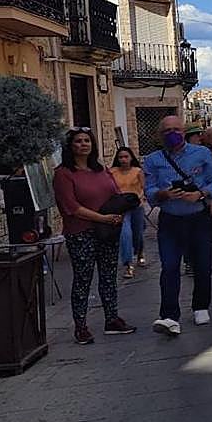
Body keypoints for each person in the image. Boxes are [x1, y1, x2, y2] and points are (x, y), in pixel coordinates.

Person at [52, 128, 137, 343]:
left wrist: (118, 213)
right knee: (83, 279)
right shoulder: (63, 173)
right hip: (81, 232)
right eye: (78, 141)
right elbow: (72, 207)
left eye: (87, 141)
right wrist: (104, 218)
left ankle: (112, 319)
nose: (83, 144)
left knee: (108, 276)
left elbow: (115, 194)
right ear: (71, 146)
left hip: (107, 231)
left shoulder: (102, 170)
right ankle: (80, 326)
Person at [144, 116, 212, 335]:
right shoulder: (152, 159)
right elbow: (149, 189)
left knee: (202, 265)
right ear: (159, 136)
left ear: (184, 131)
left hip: (198, 217)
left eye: (176, 129)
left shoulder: (202, 154)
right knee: (169, 267)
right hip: (170, 219)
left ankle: (200, 306)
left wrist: (200, 193)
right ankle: (169, 315)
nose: (172, 133)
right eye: (167, 130)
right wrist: (163, 193)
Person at [110, 147, 146, 279]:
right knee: (125, 234)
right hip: (120, 208)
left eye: (126, 157)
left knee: (138, 234)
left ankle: (140, 252)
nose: (124, 160)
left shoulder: (138, 171)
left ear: (131, 158)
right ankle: (128, 264)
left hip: (136, 206)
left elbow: (143, 188)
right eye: (121, 157)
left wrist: (139, 198)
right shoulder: (112, 172)